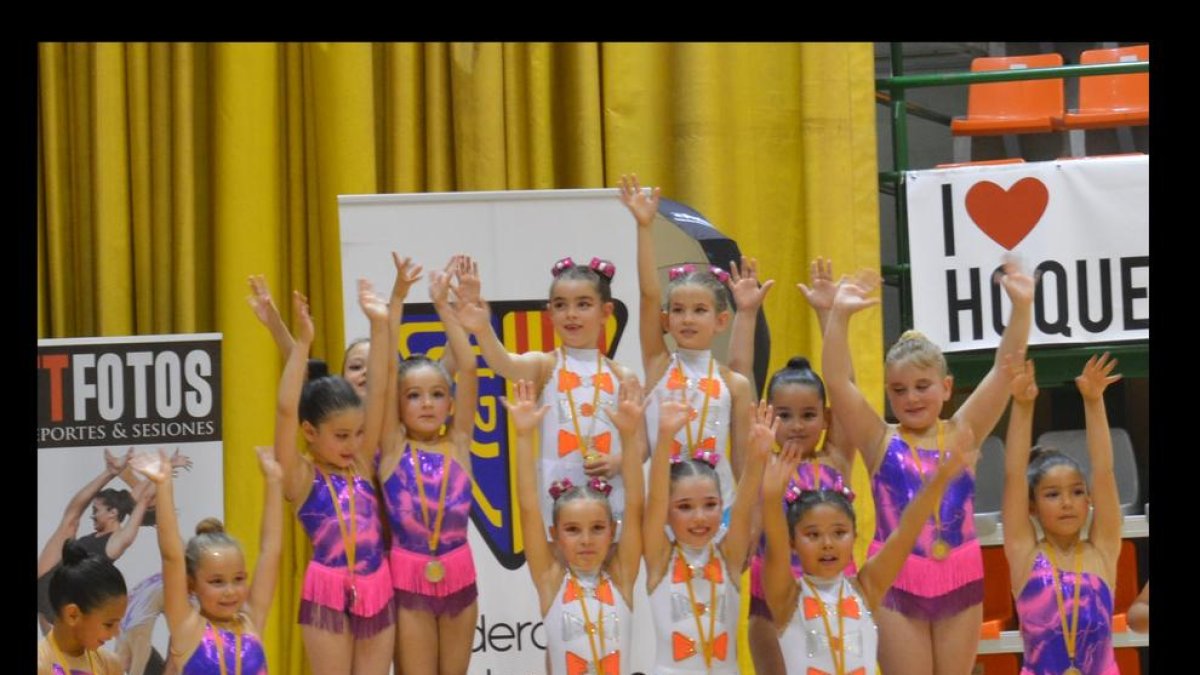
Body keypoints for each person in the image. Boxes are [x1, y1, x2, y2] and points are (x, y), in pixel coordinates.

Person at [822, 260, 1034, 675]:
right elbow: (837, 383)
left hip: (960, 570)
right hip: (895, 579)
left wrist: (1022, 309)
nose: (912, 398)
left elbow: (1005, 369)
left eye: (922, 387)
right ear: (888, 392)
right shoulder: (879, 438)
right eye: (899, 390)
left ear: (947, 387)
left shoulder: (963, 431)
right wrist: (839, 316)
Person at [762, 427, 976, 674]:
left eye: (839, 532)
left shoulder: (865, 589)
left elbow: (906, 531)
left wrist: (941, 478)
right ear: (793, 542)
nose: (827, 543)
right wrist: (771, 496)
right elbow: (775, 550)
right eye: (813, 535)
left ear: (854, 536)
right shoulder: (786, 598)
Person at [455, 254, 639, 531]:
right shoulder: (545, 365)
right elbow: (504, 363)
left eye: (584, 305)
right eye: (561, 305)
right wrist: (482, 328)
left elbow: (643, 442)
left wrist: (620, 459)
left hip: (610, 496)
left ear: (606, 312)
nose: (572, 314)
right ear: (550, 313)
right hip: (558, 494)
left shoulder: (623, 376)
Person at [274, 286, 395, 675]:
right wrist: (302, 344)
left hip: (377, 581)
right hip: (327, 585)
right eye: (341, 436)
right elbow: (284, 409)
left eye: (358, 433)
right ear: (310, 432)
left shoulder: (361, 463)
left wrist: (379, 326)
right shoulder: (301, 475)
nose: (353, 444)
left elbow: (378, 390)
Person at [620, 174, 754, 517]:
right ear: (666, 321)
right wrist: (644, 227)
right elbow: (650, 296)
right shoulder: (658, 365)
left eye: (699, 310)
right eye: (678, 310)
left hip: (720, 509)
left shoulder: (733, 384)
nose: (688, 319)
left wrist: (750, 520)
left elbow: (742, 459)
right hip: (665, 511)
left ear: (721, 321)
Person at [374, 255, 480, 674]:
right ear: (398, 405)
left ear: (450, 403)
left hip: (460, 574)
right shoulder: (394, 448)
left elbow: (468, 367)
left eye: (437, 394)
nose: (427, 403)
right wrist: (399, 296)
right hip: (407, 575)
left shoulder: (459, 443)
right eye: (414, 395)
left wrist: (443, 307)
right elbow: (384, 371)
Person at [504, 376, 646, 675]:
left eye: (597, 528)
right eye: (572, 530)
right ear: (554, 535)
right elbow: (528, 507)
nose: (586, 540)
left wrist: (630, 437)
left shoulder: (622, 577)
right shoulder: (550, 580)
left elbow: (635, 504)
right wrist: (523, 434)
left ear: (612, 531)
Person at [1003, 354, 1122, 674]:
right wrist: (1023, 406)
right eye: (1053, 495)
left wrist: (1094, 402)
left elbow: (1104, 471)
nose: (1067, 502)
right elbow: (1015, 475)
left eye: (1077, 491)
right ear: (1031, 506)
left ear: (1089, 500)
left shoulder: (1102, 552)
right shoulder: (1025, 554)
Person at [642, 395, 774, 674]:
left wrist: (757, 456)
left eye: (710, 505)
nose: (700, 517)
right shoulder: (660, 557)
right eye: (685, 507)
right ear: (667, 512)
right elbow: (654, 499)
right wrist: (664, 437)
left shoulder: (729, 555)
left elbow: (744, 505)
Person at [131, 446, 282, 675]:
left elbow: (270, 550)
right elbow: (172, 557)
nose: (230, 591)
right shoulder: (188, 628)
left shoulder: (251, 621)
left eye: (238, 579)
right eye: (217, 582)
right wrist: (163, 485)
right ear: (191, 584)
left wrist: (274, 482)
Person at [38, 449, 154, 634]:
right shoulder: (99, 530)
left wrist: (161, 477)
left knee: (58, 655)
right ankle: (110, 472)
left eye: (96, 510)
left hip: (61, 599)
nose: (92, 515)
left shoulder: (116, 541)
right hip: (49, 582)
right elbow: (74, 511)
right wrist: (111, 473)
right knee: (70, 519)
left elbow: (142, 503)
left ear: (112, 513)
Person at [37, 539, 129, 675]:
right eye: (109, 624)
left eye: (118, 622)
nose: (115, 633)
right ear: (72, 615)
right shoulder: (41, 665)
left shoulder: (110, 664)